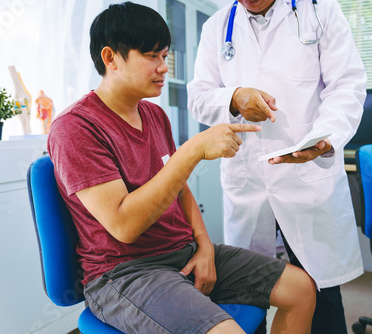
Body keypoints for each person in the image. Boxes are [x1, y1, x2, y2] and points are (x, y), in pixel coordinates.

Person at [47, 2, 316, 333]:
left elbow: (179, 189)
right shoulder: (75, 128)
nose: (164, 67)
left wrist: (203, 246)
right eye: (151, 56)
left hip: (182, 252)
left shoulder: (155, 116)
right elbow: (124, 226)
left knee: (301, 288)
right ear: (110, 58)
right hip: (126, 271)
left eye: (165, 55)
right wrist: (192, 151)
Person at [187, 0, 367, 333]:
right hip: (249, 182)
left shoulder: (321, 11)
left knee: (322, 294)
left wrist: (325, 136)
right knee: (247, 294)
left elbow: (347, 84)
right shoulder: (217, 27)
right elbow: (198, 96)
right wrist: (234, 97)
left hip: (308, 178)